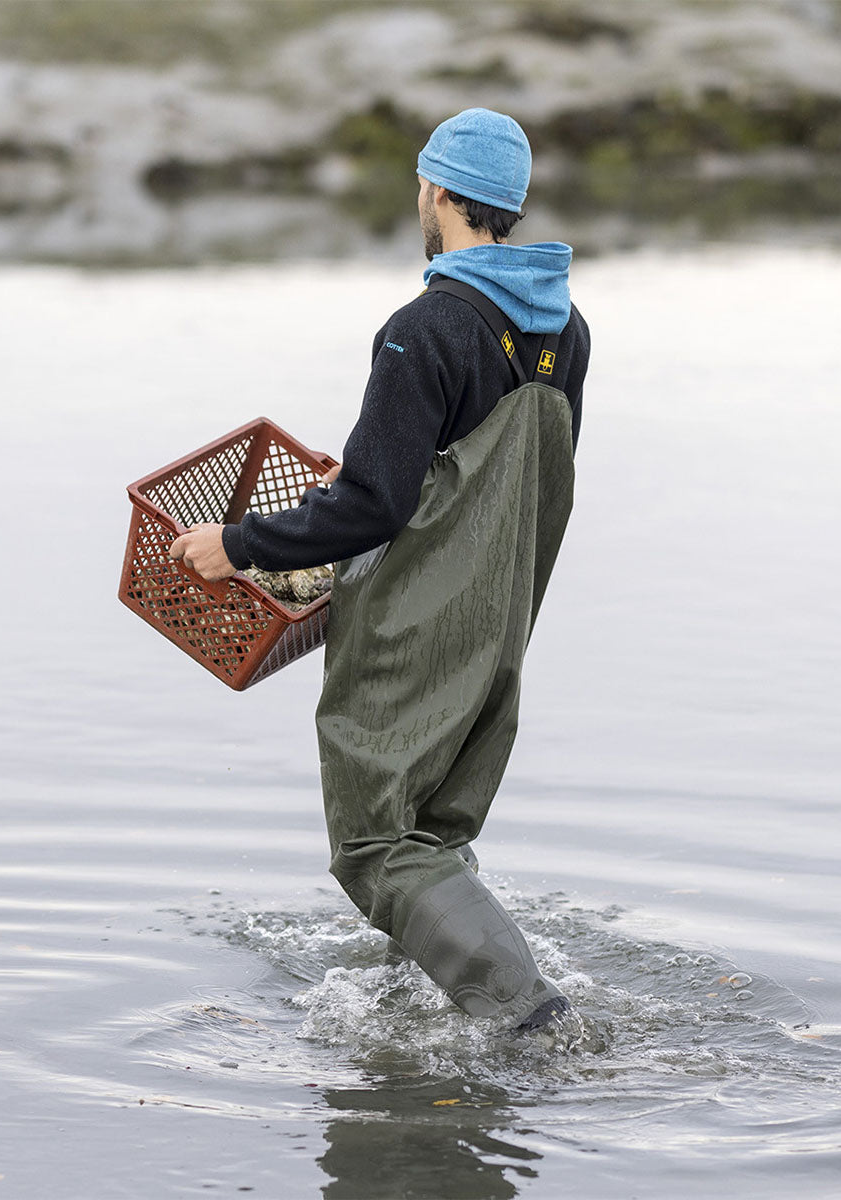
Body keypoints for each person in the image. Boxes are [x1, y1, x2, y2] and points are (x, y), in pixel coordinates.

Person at [170, 108, 590, 1031]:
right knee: (436, 830)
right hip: (502, 623)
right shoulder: (568, 330)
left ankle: (526, 1015)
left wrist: (237, 543)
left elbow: (371, 508)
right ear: (508, 207)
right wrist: (377, 477)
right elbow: (478, 484)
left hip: (412, 626)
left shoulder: (425, 325)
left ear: (434, 191)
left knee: (374, 843)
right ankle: (434, 1004)